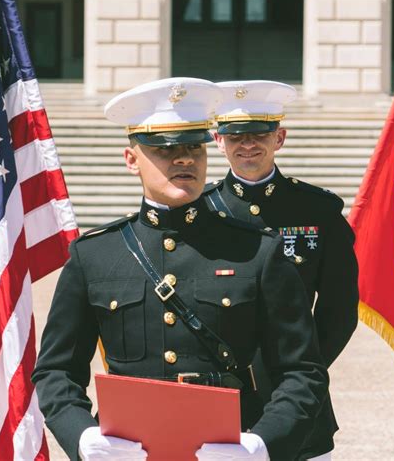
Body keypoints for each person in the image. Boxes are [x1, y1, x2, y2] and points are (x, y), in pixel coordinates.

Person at [32, 77, 329, 461]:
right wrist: (83, 437)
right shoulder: (95, 255)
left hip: (229, 448)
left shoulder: (257, 251)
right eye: (164, 149)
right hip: (128, 449)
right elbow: (55, 372)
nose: (185, 159)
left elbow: (303, 372)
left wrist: (263, 444)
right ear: (131, 159)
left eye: (194, 147)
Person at [205, 80, 359, 461]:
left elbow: (339, 308)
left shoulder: (317, 210)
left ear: (280, 137)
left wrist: (302, 371)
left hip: (296, 393)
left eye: (259, 134)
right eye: (234, 136)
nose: (248, 145)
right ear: (217, 140)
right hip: (218, 394)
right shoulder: (201, 214)